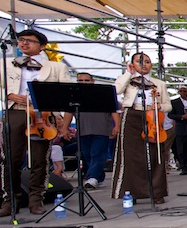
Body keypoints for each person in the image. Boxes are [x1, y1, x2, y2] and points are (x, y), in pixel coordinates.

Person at [0, 29, 73, 216]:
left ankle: (36, 199)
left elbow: (65, 94)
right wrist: (9, 95)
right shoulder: (5, 63)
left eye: (29, 41)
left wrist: (51, 110)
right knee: (11, 158)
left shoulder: (56, 67)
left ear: (42, 46)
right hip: (15, 111)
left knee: (39, 159)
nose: (24, 43)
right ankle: (10, 200)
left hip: (42, 115)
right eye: (21, 40)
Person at [110, 52, 172, 204]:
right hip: (132, 116)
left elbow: (168, 105)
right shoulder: (127, 79)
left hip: (153, 117)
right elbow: (116, 91)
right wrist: (128, 73)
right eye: (139, 61)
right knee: (131, 157)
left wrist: (160, 106)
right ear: (132, 64)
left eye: (148, 61)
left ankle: (157, 192)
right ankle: (131, 192)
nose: (144, 64)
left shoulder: (159, 83)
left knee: (155, 154)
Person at [76, 73, 121, 189]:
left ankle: (92, 177)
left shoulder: (103, 93)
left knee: (97, 154)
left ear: (93, 81)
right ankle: (99, 177)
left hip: (102, 129)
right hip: (83, 129)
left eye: (86, 80)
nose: (83, 83)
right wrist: (65, 128)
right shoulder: (75, 94)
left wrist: (117, 125)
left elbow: (114, 110)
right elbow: (68, 112)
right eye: (80, 81)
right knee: (87, 155)